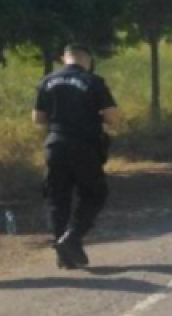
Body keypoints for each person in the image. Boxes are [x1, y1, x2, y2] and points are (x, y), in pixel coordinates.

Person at [32, 43, 120, 269]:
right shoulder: (93, 81)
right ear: (86, 59)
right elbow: (112, 118)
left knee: (56, 198)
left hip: (55, 145)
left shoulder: (46, 80)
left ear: (64, 58)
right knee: (95, 194)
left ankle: (64, 255)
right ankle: (72, 237)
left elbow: (38, 119)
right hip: (84, 146)